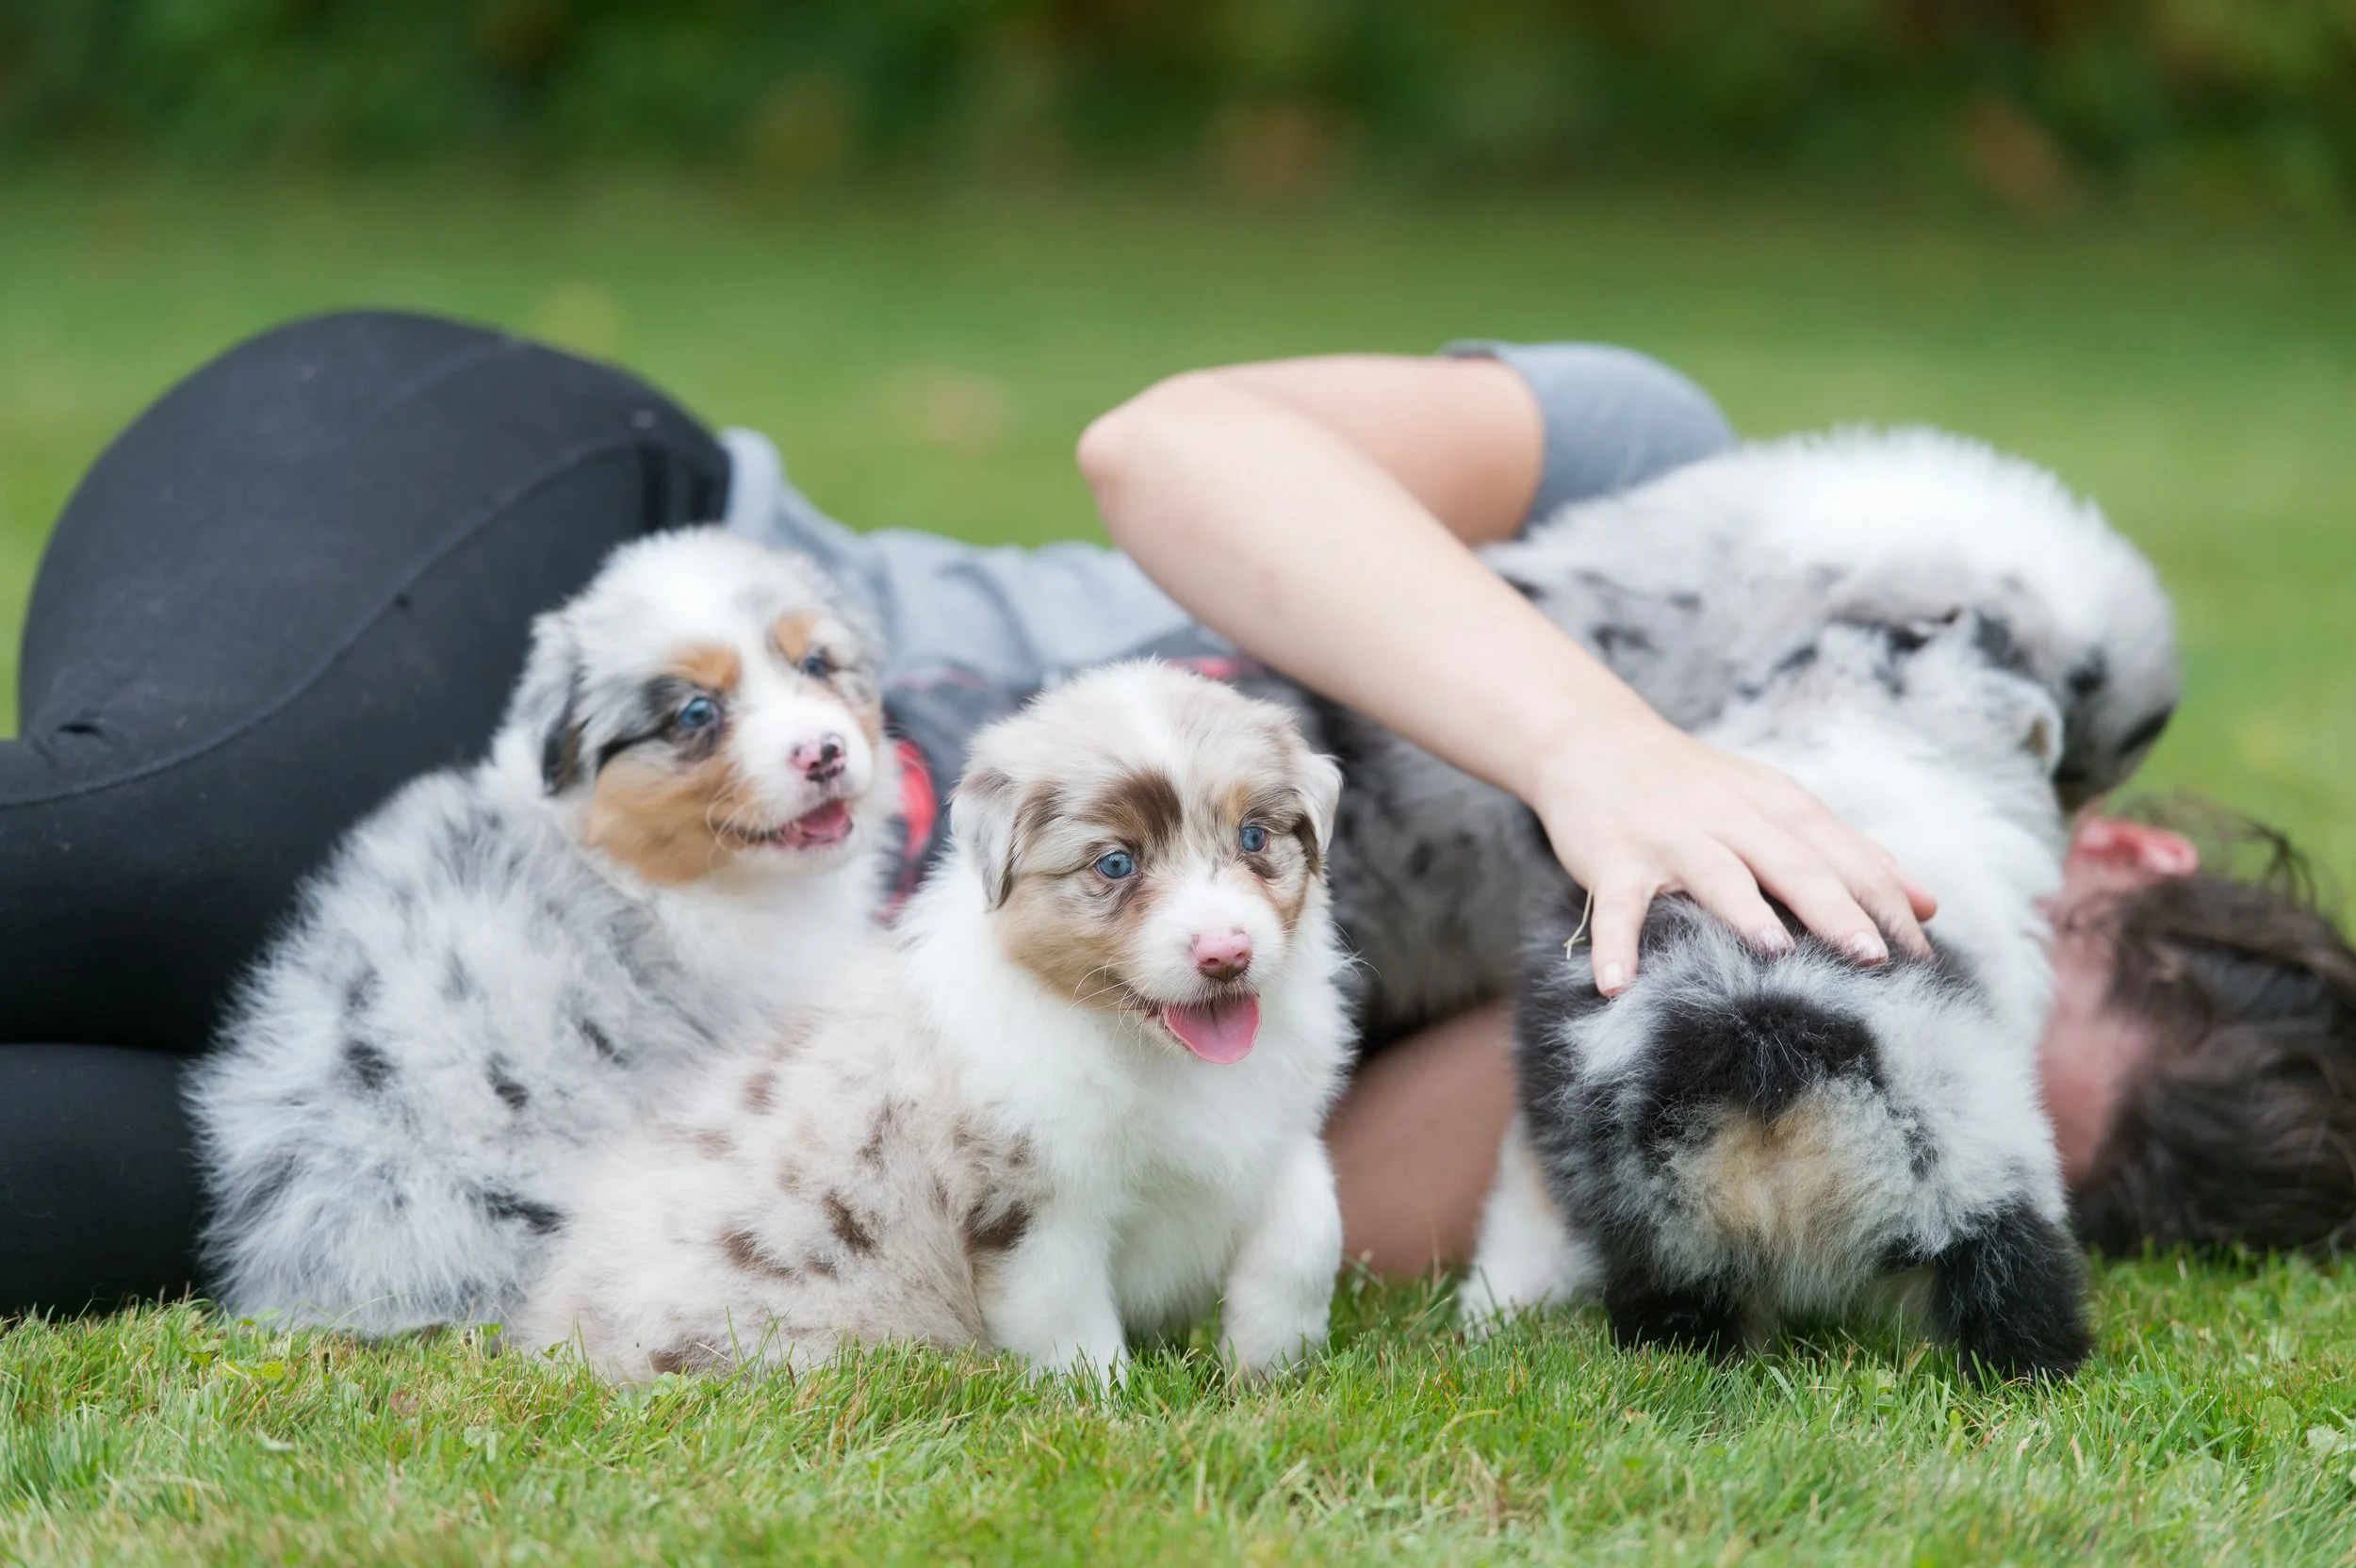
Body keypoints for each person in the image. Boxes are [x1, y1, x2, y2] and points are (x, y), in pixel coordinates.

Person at [0, 312, 2344, 1317]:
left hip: (629, 1043)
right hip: (586, 568)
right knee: (166, 860)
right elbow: (1174, 450)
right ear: (2106, 857)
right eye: (1917, 946)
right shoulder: (1681, 470)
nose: (1827, 967)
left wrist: (1666, 1009)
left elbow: (1251, 1167)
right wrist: (1608, 759)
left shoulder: (1678, 1094)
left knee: (98, 1179)